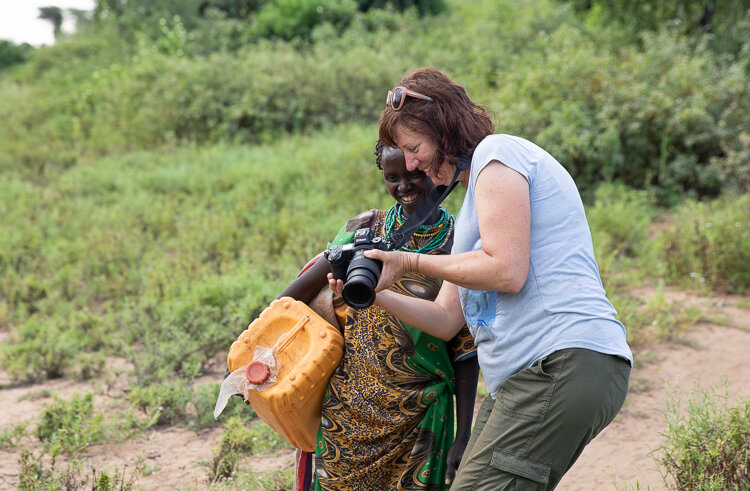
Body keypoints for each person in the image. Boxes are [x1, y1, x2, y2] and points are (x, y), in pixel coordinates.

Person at [328, 68, 633, 490]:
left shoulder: (497, 153)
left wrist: (411, 262)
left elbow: (506, 270)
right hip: (528, 378)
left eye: (414, 148)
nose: (411, 164)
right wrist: (374, 295)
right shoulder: (472, 207)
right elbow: (444, 319)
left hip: (562, 362)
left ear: (445, 128)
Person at [278, 141, 479, 490]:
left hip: (422, 419)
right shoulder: (365, 230)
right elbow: (295, 296)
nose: (404, 186)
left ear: (434, 169)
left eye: (414, 174)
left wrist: (464, 436)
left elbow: (465, 352)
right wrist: (252, 344)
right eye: (392, 177)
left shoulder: (457, 245)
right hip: (347, 415)